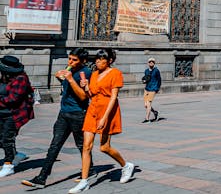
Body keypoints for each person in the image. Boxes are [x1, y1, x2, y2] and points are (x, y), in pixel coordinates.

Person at [22, 48, 91, 188]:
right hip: (64, 113)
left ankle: (91, 169)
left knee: (82, 146)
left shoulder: (86, 73)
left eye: (74, 60)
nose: (70, 62)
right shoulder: (69, 68)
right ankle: (42, 178)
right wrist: (59, 76)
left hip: (78, 114)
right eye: (69, 58)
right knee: (55, 145)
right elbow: (65, 85)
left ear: (83, 61)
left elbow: (84, 97)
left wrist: (71, 79)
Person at [69, 48, 134, 193]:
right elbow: (91, 95)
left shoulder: (115, 73)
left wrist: (105, 117)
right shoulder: (94, 74)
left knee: (104, 147)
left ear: (109, 61)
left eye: (101, 59)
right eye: (96, 59)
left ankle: (126, 165)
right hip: (92, 110)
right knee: (86, 146)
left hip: (107, 111)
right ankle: (84, 181)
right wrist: (85, 88)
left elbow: (113, 97)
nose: (97, 61)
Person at [0, 55, 34, 178]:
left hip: (14, 115)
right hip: (2, 113)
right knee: (1, 139)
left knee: (7, 139)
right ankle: (16, 155)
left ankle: (8, 165)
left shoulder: (21, 79)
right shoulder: (4, 77)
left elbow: (13, 99)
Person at [142, 57, 161, 123]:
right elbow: (146, 79)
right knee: (146, 105)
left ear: (154, 63)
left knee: (149, 104)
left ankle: (147, 119)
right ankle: (155, 112)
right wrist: (144, 81)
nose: (151, 63)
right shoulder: (146, 71)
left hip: (153, 89)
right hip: (147, 89)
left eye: (152, 62)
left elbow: (159, 80)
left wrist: (157, 88)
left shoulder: (156, 71)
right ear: (148, 63)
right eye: (150, 62)